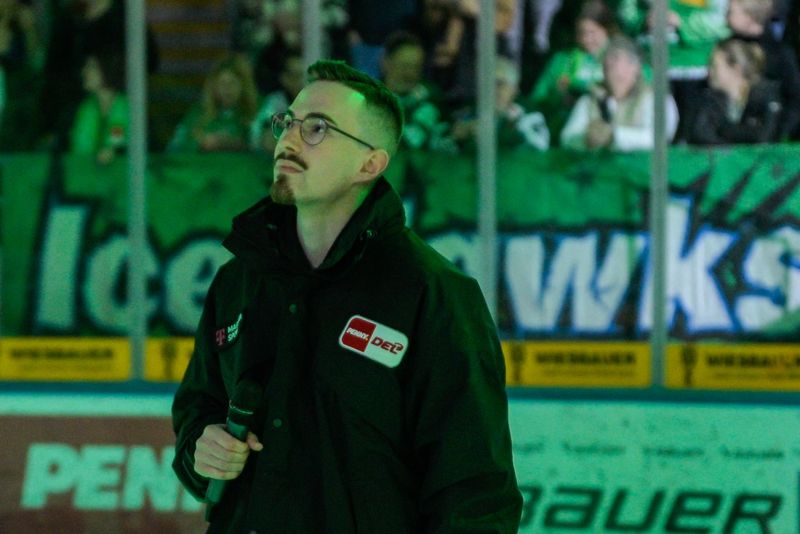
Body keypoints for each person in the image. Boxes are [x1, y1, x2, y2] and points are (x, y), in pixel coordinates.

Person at [171, 59, 523, 532]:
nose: (289, 139)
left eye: (317, 128)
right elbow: (199, 407)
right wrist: (201, 447)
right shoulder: (238, 281)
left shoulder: (433, 294)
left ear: (369, 164)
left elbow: (475, 493)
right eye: (287, 122)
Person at [560, 35, 679, 151]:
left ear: (635, 67)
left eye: (616, 58)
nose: (610, 65)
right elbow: (566, 138)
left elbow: (658, 138)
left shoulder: (654, 98)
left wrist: (614, 136)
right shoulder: (590, 100)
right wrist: (586, 138)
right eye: (607, 59)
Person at [526, 0, 618, 145]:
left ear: (606, 30)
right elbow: (537, 99)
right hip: (566, 130)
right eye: (581, 33)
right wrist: (558, 96)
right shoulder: (561, 60)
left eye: (592, 33)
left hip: (610, 128)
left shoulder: (620, 59)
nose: (586, 39)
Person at [726, 0, 800, 138]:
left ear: (749, 18)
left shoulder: (778, 54)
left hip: (768, 131)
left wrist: (780, 132)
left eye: (731, 13)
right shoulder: (726, 47)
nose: (725, 17)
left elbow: (795, 96)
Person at [686, 37, 781, 144]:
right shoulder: (709, 98)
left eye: (714, 67)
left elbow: (763, 137)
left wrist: (724, 128)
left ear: (735, 69)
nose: (709, 72)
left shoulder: (764, 97)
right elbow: (700, 134)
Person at [168, 53, 258, 153]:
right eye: (222, 83)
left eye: (232, 83)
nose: (227, 89)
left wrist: (234, 144)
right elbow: (175, 147)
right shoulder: (198, 113)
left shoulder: (257, 112)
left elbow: (263, 147)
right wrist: (200, 144)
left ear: (244, 86)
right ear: (214, 86)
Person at [69, 49, 128, 164]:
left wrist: (112, 151)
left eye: (92, 67)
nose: (84, 72)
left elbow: (117, 141)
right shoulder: (84, 107)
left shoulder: (125, 107)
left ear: (107, 70)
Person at [249, 47, 305, 153]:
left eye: (302, 75)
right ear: (284, 78)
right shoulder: (275, 102)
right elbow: (262, 136)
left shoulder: (315, 102)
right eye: (295, 75)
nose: (300, 81)